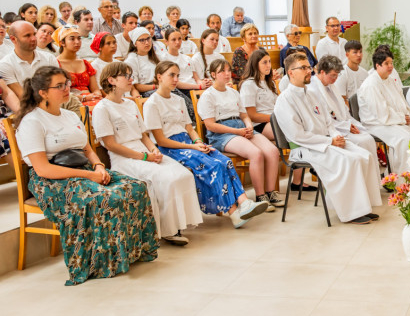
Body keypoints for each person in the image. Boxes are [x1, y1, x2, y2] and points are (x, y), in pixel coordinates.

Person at [14, 66, 158, 285]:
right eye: (59, 86)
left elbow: (88, 149)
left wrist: (99, 166)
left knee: (135, 187)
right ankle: (100, 262)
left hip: (84, 169)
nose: (67, 89)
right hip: (52, 180)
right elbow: (43, 169)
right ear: (43, 93)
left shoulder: (70, 114)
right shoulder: (32, 121)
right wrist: (89, 176)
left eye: (67, 84)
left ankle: (131, 252)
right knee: (103, 197)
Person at [145, 61, 268, 227]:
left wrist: (198, 141)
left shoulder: (179, 100)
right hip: (171, 147)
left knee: (225, 161)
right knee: (213, 165)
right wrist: (193, 146)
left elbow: (189, 128)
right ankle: (234, 213)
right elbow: (160, 140)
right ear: (159, 77)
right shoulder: (152, 103)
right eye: (171, 75)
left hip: (189, 142)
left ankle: (244, 202)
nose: (176, 79)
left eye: (177, 75)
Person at [94, 62, 204, 245]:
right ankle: (168, 230)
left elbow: (144, 135)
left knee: (183, 174)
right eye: (126, 76)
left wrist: (153, 150)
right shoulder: (102, 108)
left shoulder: (130, 104)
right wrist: (145, 157)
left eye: (131, 75)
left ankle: (177, 224)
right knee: (166, 178)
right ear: (111, 80)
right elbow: (111, 145)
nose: (131, 79)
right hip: (124, 157)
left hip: (143, 150)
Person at [275, 52, 381, 224]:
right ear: (291, 72)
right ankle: (351, 213)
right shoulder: (285, 100)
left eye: (309, 67)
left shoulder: (312, 94)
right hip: (305, 148)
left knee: (364, 155)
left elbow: (328, 122)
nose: (308, 71)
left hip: (325, 141)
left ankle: (364, 207)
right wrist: (329, 141)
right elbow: (297, 135)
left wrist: (335, 136)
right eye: (303, 68)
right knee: (350, 161)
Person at [197, 59, 284, 209]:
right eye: (222, 71)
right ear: (213, 74)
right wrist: (237, 131)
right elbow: (210, 125)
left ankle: (271, 192)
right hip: (222, 133)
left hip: (241, 126)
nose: (227, 74)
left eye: (228, 70)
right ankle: (260, 196)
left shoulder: (233, 92)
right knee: (256, 153)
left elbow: (244, 115)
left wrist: (249, 126)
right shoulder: (208, 95)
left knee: (272, 151)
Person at [357, 48, 410, 173]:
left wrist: (407, 116)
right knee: (406, 139)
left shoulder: (389, 79)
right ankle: (406, 178)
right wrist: (402, 118)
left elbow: (400, 101)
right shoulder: (371, 84)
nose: (390, 66)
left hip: (395, 119)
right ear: (377, 65)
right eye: (386, 63)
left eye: (391, 63)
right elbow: (381, 112)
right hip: (376, 123)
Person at [309, 55, 381, 177]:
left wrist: (352, 125)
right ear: (322, 72)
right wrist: (347, 126)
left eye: (337, 75)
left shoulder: (330, 86)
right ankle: (360, 178)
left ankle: (372, 179)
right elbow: (323, 119)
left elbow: (344, 112)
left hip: (342, 126)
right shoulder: (313, 89)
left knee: (367, 137)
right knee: (362, 141)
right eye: (333, 75)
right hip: (330, 132)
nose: (335, 79)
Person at [0, 21, 61, 99]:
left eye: (34, 34)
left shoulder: (49, 58)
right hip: (29, 104)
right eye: (27, 35)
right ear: (13, 39)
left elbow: (58, 86)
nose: (34, 39)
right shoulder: (5, 64)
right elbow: (22, 95)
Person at [161, 27, 206, 120]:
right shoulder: (164, 59)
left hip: (194, 87)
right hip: (180, 90)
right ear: (166, 42)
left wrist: (202, 83)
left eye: (179, 39)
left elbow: (196, 77)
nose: (177, 42)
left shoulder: (187, 58)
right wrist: (198, 86)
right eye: (173, 40)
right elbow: (174, 83)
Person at [239, 48, 279, 140]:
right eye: (264, 62)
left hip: (274, 119)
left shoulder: (271, 83)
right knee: (286, 131)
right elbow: (251, 115)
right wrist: (275, 118)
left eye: (269, 61)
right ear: (255, 65)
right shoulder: (248, 84)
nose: (268, 65)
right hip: (259, 124)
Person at [55, 26, 101, 104]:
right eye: (72, 39)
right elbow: (59, 91)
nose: (77, 42)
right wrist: (84, 98)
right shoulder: (56, 64)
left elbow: (95, 89)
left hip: (92, 99)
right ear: (62, 43)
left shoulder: (85, 63)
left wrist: (97, 94)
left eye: (79, 38)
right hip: (71, 102)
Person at [124, 27, 162, 97]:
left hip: (159, 87)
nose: (147, 43)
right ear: (135, 43)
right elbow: (135, 86)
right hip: (145, 92)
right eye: (142, 40)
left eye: (148, 38)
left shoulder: (156, 56)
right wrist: (156, 86)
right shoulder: (131, 60)